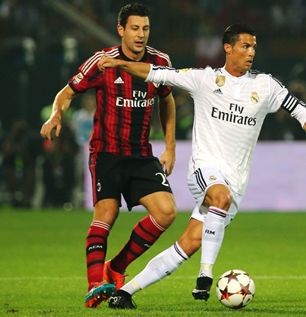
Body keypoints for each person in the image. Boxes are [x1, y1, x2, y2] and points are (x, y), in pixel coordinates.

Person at [97, 23, 306, 309]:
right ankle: (205, 275)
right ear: (228, 48)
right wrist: (120, 64)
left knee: (187, 244)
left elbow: (299, 108)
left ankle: (125, 293)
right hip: (204, 170)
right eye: (245, 46)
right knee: (219, 195)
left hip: (236, 183)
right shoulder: (204, 80)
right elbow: (156, 73)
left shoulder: (265, 85)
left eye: (254, 47)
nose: (251, 52)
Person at [39, 3, 178, 308]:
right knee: (107, 214)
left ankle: (116, 266)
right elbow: (67, 92)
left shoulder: (160, 62)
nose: (141, 35)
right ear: (121, 30)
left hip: (141, 154)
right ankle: (95, 284)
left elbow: (167, 102)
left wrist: (170, 145)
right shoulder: (102, 62)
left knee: (166, 212)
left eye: (145, 28)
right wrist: (55, 116)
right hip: (106, 152)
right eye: (134, 28)